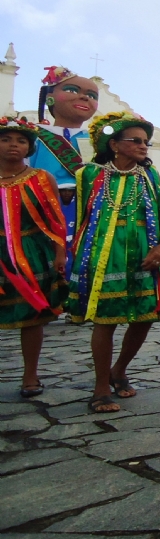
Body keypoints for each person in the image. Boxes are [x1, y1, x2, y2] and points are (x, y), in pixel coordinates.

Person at [66, 111, 160, 413]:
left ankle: (120, 369)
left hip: (146, 255)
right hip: (105, 256)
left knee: (143, 318)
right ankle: (100, 387)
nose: (144, 146)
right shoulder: (88, 175)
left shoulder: (150, 176)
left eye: (146, 141)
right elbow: (81, 220)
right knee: (106, 319)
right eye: (136, 140)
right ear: (114, 144)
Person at [0, 118, 67, 398]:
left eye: (21, 141)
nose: (14, 145)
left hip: (32, 252)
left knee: (32, 317)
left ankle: (30, 376)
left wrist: (60, 253)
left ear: (29, 147)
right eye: (6, 139)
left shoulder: (40, 178)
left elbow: (55, 219)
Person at [30, 66, 100, 242]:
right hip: (40, 207)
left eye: (92, 95)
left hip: (86, 210)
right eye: (72, 90)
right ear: (50, 98)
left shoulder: (97, 140)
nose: (85, 97)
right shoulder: (33, 136)